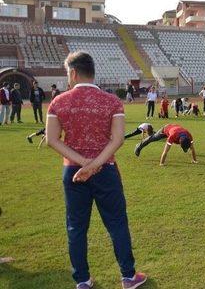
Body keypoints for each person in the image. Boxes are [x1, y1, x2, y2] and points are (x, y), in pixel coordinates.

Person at [46, 51, 147, 289]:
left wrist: (84, 163)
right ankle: (128, 276)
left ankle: (82, 280)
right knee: (117, 223)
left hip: (73, 172)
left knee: (76, 227)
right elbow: (118, 139)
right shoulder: (112, 101)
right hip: (106, 171)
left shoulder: (58, 102)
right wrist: (94, 164)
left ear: (72, 72)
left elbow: (52, 139)